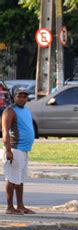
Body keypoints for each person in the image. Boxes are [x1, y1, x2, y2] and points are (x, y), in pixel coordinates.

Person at [2, 87, 36, 215]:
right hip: (14, 150)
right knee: (11, 179)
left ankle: (20, 206)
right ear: (13, 97)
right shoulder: (9, 111)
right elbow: (5, 133)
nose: (22, 99)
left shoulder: (26, 110)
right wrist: (8, 151)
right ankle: (10, 207)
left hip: (24, 150)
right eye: (19, 96)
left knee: (20, 180)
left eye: (24, 96)